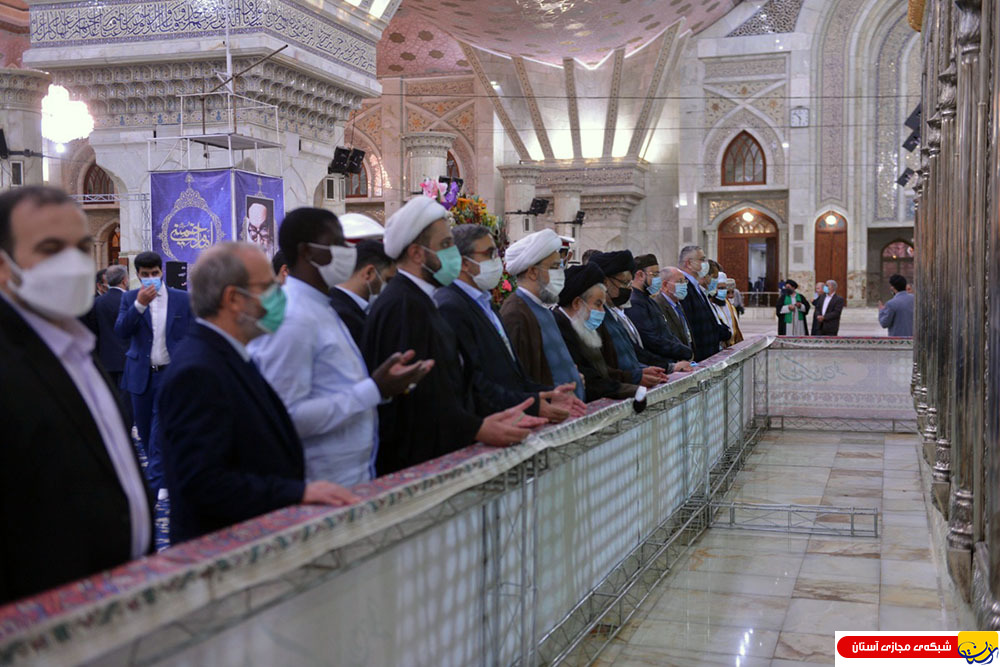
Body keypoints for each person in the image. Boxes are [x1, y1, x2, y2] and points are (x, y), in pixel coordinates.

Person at [0, 186, 151, 603]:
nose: (73, 263)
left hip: (122, 600)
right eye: (50, 249)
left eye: (83, 248)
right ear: (4, 266)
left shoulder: (75, 346)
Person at [158, 242, 360, 544]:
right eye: (268, 287)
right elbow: (204, 484)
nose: (280, 293)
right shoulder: (198, 371)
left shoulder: (231, 354)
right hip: (225, 551)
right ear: (233, 299)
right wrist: (298, 492)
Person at [250, 208, 432, 487]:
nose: (348, 253)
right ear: (307, 252)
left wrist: (382, 387)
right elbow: (286, 417)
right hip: (319, 485)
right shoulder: (292, 317)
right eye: (337, 244)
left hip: (349, 480)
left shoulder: (321, 306)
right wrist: (374, 389)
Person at [365, 197, 546, 475]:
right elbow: (418, 402)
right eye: (446, 245)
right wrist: (477, 428)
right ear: (417, 253)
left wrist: (505, 413)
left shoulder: (421, 300)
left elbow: (455, 384)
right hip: (417, 468)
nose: (454, 255)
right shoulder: (403, 305)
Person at [436, 224, 585, 422]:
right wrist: (534, 406)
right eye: (490, 254)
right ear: (464, 263)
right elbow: (475, 384)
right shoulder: (451, 306)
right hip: (495, 424)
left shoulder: (486, 304)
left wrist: (548, 395)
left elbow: (514, 375)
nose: (497, 261)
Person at [115, 250, 193, 497]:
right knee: (145, 430)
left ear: (162, 272)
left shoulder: (182, 299)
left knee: (161, 430)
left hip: (171, 374)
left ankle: (158, 482)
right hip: (141, 375)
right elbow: (121, 331)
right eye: (146, 274)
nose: (151, 278)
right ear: (138, 275)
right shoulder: (130, 299)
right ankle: (161, 472)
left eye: (155, 273)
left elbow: (192, 333)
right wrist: (139, 305)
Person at [500, 229, 585, 400]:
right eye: (554, 267)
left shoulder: (542, 308)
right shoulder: (516, 314)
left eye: (560, 266)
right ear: (532, 272)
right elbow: (520, 380)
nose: (560, 273)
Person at [553, 263, 641, 402]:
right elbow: (589, 380)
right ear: (577, 303)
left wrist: (634, 377)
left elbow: (601, 371)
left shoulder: (583, 326)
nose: (602, 311)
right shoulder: (558, 330)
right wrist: (629, 389)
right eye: (598, 304)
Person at [588, 250, 670, 387]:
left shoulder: (613, 314)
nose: (629, 289)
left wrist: (642, 370)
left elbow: (629, 355)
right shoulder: (596, 317)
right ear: (606, 282)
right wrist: (636, 376)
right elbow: (603, 369)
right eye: (625, 283)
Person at [84, 265, 132, 424]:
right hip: (128, 360)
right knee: (127, 404)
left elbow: (92, 332)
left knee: (110, 401)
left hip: (105, 360)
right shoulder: (131, 301)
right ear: (125, 280)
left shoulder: (96, 303)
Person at [628, 254, 694, 364]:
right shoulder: (635, 303)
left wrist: (683, 350)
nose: (657, 279)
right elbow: (651, 340)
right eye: (654, 274)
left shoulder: (649, 300)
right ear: (640, 275)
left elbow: (666, 333)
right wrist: (681, 352)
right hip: (657, 365)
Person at [330, 239, 394, 349]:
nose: (390, 286)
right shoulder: (344, 316)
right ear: (369, 273)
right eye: (388, 280)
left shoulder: (335, 303)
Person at [677, 245, 730, 361]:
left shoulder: (696, 286)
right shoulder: (684, 287)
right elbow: (690, 324)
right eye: (702, 259)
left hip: (708, 354)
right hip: (698, 356)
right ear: (688, 264)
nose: (705, 264)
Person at [653, 266, 695, 356]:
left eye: (685, 281)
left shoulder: (678, 304)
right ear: (665, 285)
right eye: (680, 281)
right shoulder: (657, 305)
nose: (684, 285)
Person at [723, 277, 745, 344]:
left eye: (732, 292)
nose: (731, 295)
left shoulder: (737, 292)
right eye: (728, 293)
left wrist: (741, 307)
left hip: (735, 308)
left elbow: (739, 300)